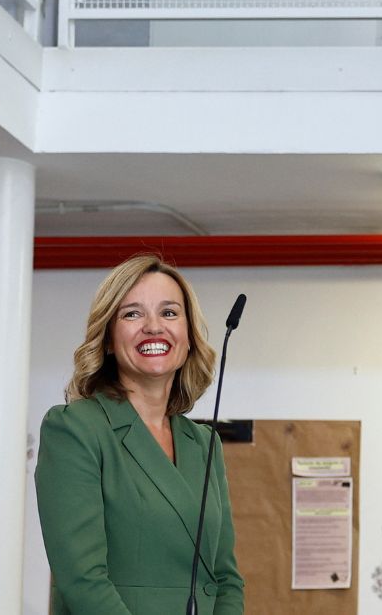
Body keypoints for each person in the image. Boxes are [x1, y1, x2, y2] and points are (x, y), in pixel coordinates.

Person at [36, 254, 245, 615]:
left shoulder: (204, 443)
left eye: (169, 313)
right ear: (108, 340)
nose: (153, 327)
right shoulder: (74, 429)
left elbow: (225, 577)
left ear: (189, 336)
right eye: (132, 314)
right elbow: (83, 582)